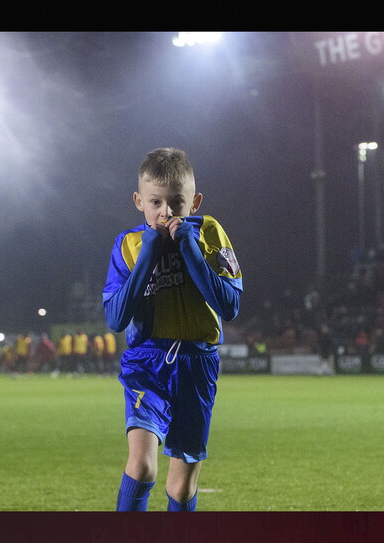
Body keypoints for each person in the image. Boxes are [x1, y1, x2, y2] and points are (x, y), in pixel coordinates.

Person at [103, 147, 243, 512]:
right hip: (147, 363)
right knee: (143, 465)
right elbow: (116, 319)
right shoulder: (129, 245)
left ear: (194, 202)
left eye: (176, 203)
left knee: (180, 489)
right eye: (155, 203)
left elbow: (229, 305)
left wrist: (190, 248)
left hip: (198, 364)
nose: (165, 213)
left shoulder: (210, 233)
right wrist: (150, 252)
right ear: (139, 201)